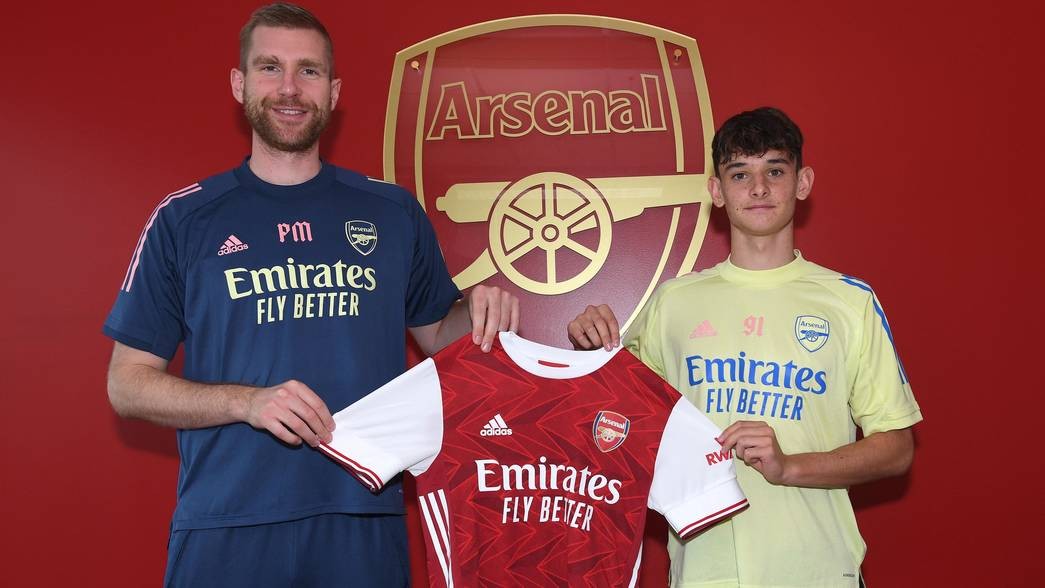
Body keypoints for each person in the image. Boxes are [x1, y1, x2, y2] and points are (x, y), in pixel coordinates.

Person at [104, 4, 518, 586]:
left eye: (309, 71)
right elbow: (126, 384)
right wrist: (246, 403)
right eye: (270, 67)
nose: (290, 88)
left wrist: (476, 311)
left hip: (361, 516)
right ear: (239, 84)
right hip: (227, 523)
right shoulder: (184, 219)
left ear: (334, 91)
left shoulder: (391, 212)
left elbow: (438, 337)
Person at [567, 107, 921, 587]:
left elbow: (896, 449)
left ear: (802, 182)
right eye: (740, 174)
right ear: (717, 191)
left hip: (817, 571)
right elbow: (618, 426)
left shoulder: (849, 301)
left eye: (774, 171)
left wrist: (788, 466)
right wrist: (591, 354)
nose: (758, 188)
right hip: (703, 573)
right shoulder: (674, 301)